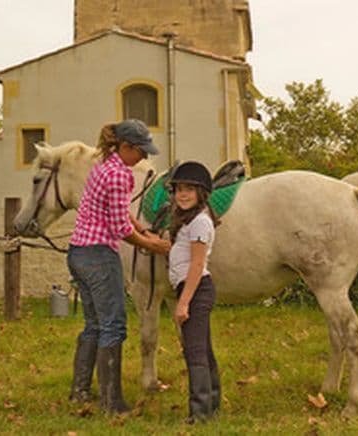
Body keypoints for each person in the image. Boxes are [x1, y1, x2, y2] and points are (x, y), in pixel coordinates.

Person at [67, 119, 171, 414]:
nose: (144, 158)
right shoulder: (120, 176)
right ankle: (112, 403)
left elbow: (122, 214)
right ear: (125, 147)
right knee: (113, 325)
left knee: (94, 325)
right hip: (99, 256)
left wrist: (145, 230)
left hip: (79, 253)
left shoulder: (103, 167)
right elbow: (119, 229)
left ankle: (80, 391)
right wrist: (153, 245)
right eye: (140, 152)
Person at [168, 161, 221, 423]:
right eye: (179, 189)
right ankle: (212, 404)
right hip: (192, 289)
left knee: (195, 352)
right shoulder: (191, 222)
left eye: (189, 189)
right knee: (203, 350)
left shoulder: (200, 223)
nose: (183, 194)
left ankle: (199, 414)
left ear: (201, 193)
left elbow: (197, 265)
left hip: (196, 289)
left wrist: (183, 303)